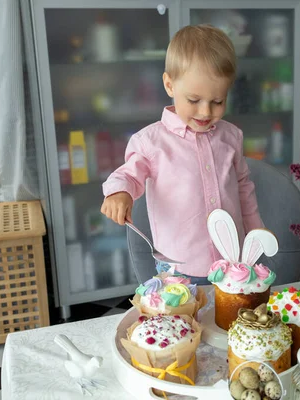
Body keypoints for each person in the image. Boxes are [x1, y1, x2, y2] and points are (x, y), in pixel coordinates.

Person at [101, 25, 263, 285]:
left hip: (235, 263)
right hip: (180, 270)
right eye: (194, 99)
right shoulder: (150, 142)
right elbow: (129, 174)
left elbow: (244, 187)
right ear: (169, 85)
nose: (205, 111)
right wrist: (119, 192)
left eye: (217, 101)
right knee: (185, 325)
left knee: (231, 324)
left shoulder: (231, 137)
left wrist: (256, 231)